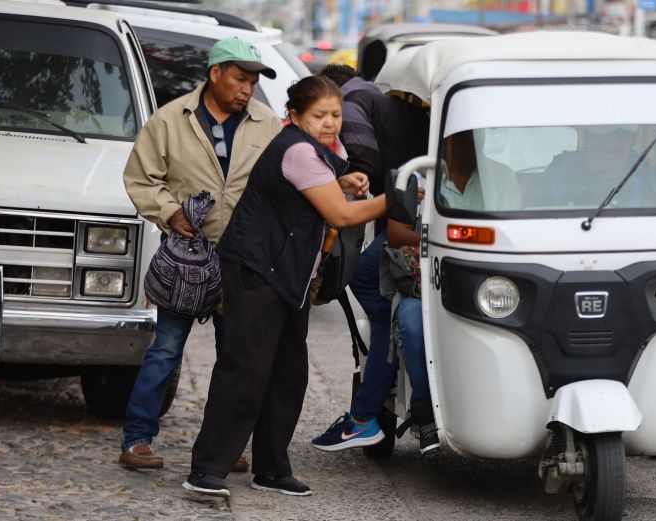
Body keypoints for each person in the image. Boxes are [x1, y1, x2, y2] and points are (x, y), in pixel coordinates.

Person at [182, 75, 385, 498]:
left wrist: (342, 181)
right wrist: (397, 199)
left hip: (288, 277)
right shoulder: (297, 149)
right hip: (258, 272)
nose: (330, 123)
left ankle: (271, 469)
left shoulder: (315, 151)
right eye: (319, 115)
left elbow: (309, 190)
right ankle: (207, 470)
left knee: (288, 375)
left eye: (335, 115)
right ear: (294, 115)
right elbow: (342, 216)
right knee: (245, 371)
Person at [119, 36, 282, 471]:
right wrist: (170, 212)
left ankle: (223, 447)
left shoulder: (268, 124)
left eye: (253, 82)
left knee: (235, 358)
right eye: (240, 79)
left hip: (242, 261)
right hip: (185, 259)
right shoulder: (170, 119)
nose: (247, 89)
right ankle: (137, 439)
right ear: (215, 73)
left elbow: (286, 181)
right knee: (165, 349)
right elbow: (141, 177)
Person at [309, 64, 436, 454]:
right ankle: (373, 407)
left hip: (413, 211)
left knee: (375, 292)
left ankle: (378, 408)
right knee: (387, 303)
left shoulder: (352, 102)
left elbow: (365, 160)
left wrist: (343, 181)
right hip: (412, 209)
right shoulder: (375, 99)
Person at [438, 129, 523, 212]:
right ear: (449, 136)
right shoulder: (432, 174)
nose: (472, 136)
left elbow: (509, 219)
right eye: (466, 131)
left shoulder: (503, 176)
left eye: (477, 131)